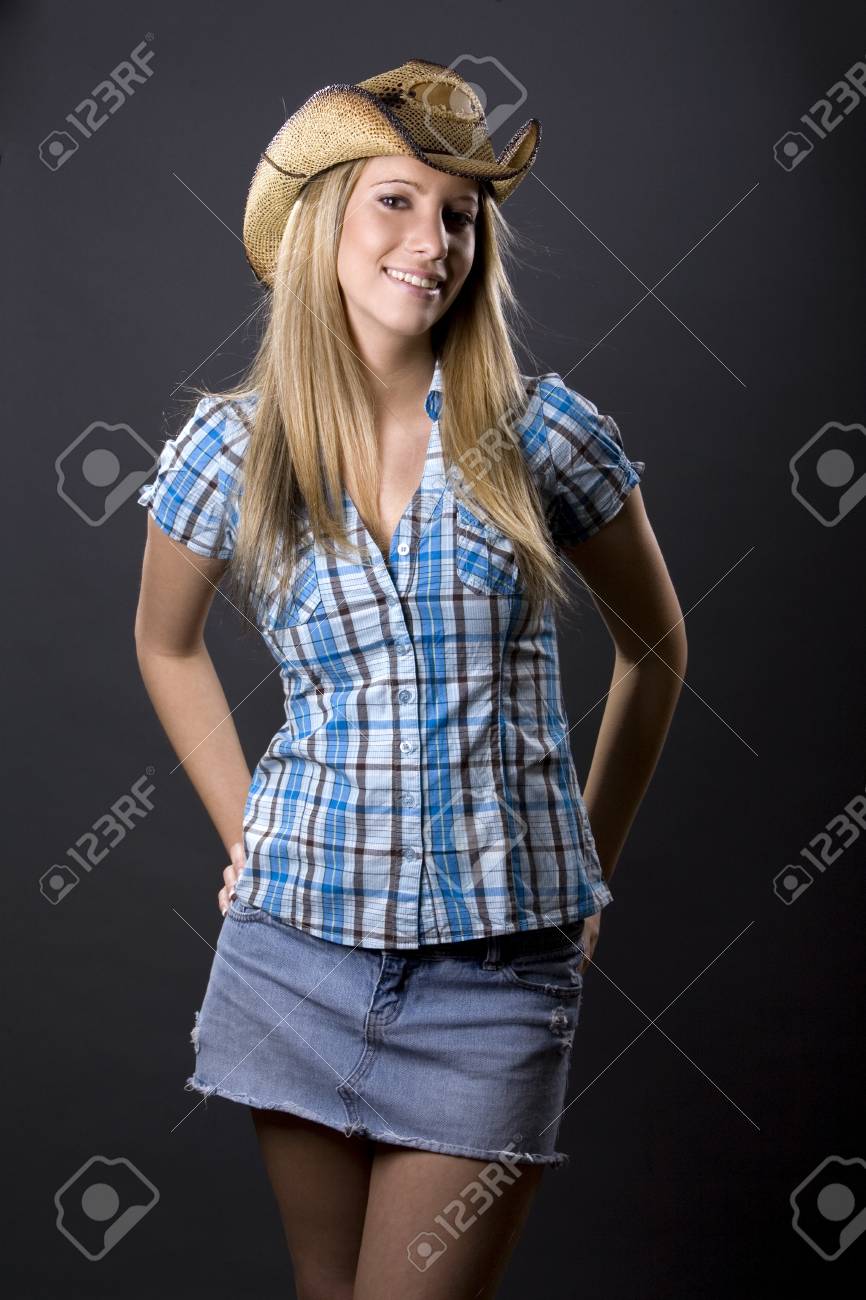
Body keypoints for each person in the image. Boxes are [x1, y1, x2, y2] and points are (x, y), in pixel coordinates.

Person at [134, 58, 687, 1300]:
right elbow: (163, 643)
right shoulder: (233, 447)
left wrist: (583, 869)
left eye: (459, 216)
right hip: (292, 952)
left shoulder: (542, 435)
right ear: (323, 220)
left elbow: (656, 652)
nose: (432, 243)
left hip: (496, 976)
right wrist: (246, 834)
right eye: (395, 201)